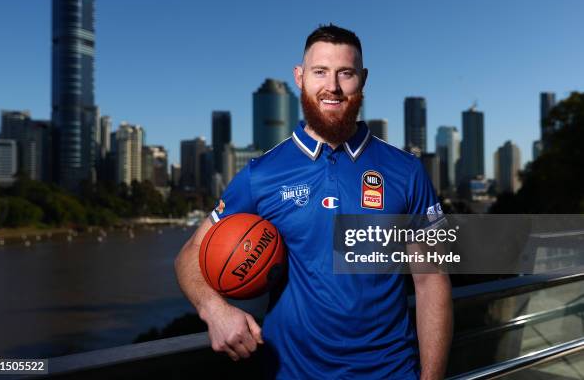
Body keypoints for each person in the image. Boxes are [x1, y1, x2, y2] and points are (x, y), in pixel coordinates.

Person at [175, 24, 453, 379]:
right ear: (300, 77)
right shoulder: (261, 174)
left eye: (346, 73)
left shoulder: (407, 171)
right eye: (320, 72)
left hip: (391, 371)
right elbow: (189, 256)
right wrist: (214, 309)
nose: (332, 86)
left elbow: (433, 282)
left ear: (363, 79)